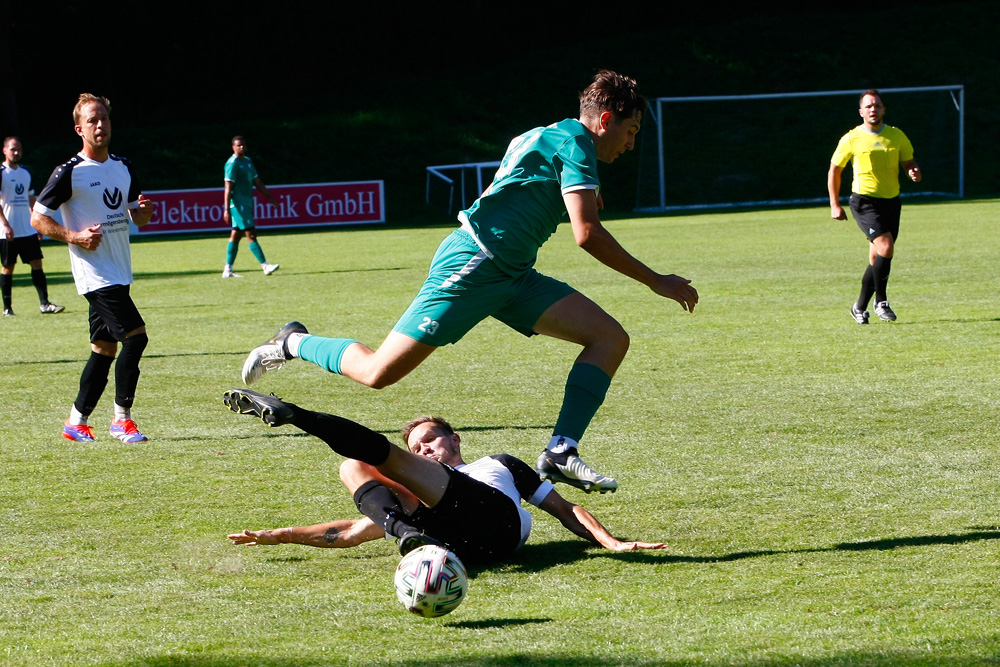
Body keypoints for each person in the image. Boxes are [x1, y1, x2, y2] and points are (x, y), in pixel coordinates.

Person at [240, 70, 698, 493]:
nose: (631, 145)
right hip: (475, 266)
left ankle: (561, 450)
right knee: (378, 372)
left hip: (512, 273)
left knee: (609, 338)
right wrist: (656, 280)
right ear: (604, 120)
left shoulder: (547, 136)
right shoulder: (574, 145)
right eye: (631, 131)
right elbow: (587, 234)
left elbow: (505, 192)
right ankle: (292, 342)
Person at [223, 387, 666, 564]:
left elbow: (565, 508)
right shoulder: (412, 489)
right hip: (445, 540)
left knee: (375, 462)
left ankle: (296, 414)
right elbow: (353, 532)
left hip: (496, 522)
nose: (424, 449)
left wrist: (613, 542)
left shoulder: (499, 465)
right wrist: (283, 535)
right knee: (352, 467)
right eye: (417, 447)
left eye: (431, 440)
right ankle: (403, 535)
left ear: (455, 441)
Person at [30, 94, 154, 443]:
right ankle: (121, 419)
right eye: (92, 121)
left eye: (104, 119)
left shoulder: (124, 166)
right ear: (79, 128)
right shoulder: (69, 172)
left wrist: (143, 213)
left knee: (104, 348)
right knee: (136, 337)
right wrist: (74, 236)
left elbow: (135, 213)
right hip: (95, 276)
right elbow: (37, 218)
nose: (100, 125)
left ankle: (76, 421)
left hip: (120, 271)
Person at [828, 89, 922, 325]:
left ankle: (859, 307)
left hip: (891, 202)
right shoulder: (852, 138)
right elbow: (835, 170)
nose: (873, 109)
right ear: (861, 112)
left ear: (883, 109)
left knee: (877, 256)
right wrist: (834, 204)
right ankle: (881, 302)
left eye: (877, 105)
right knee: (886, 247)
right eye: (868, 106)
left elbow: (909, 161)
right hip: (864, 202)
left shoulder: (896, 135)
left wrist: (913, 171)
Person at [1, 136, 64, 316]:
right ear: (5, 150)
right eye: (13, 149)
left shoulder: (26, 173)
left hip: (27, 229)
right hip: (8, 231)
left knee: (37, 263)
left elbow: (31, 200)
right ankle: (8, 308)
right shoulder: (1, 173)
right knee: (8, 267)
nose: (16, 152)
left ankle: (45, 304)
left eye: (19, 149)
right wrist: (5, 224)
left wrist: (38, 225)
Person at [222, 136, 279, 278]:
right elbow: (228, 188)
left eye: (243, 145)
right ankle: (265, 266)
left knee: (236, 235)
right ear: (233, 147)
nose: (241, 147)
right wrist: (227, 209)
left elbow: (257, 182)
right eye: (238, 145)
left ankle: (228, 269)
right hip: (238, 206)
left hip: (246, 204)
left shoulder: (247, 161)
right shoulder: (232, 163)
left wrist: (270, 197)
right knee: (251, 234)